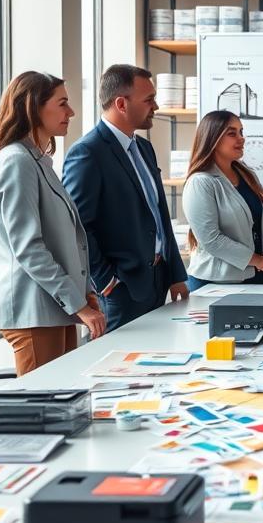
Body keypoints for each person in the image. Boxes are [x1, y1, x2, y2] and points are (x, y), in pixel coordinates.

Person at [0, 72, 106, 375]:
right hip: (34, 313)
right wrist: (78, 303)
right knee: (42, 410)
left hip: (54, 310)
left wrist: (82, 295)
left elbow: (64, 240)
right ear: (33, 107)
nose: (70, 112)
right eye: (62, 104)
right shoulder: (16, 162)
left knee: (64, 403)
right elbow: (29, 248)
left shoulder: (37, 161)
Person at [63, 65, 188, 331]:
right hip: (121, 290)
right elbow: (78, 226)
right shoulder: (88, 153)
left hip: (157, 280)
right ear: (121, 103)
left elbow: (159, 214)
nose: (155, 106)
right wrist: (106, 281)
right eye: (149, 100)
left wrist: (176, 274)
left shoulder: (144, 147)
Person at [182, 110, 263, 289]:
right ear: (212, 138)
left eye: (241, 132)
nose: (241, 138)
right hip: (214, 284)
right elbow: (212, 240)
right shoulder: (200, 182)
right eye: (232, 133)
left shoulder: (248, 175)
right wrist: (260, 261)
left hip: (257, 278)